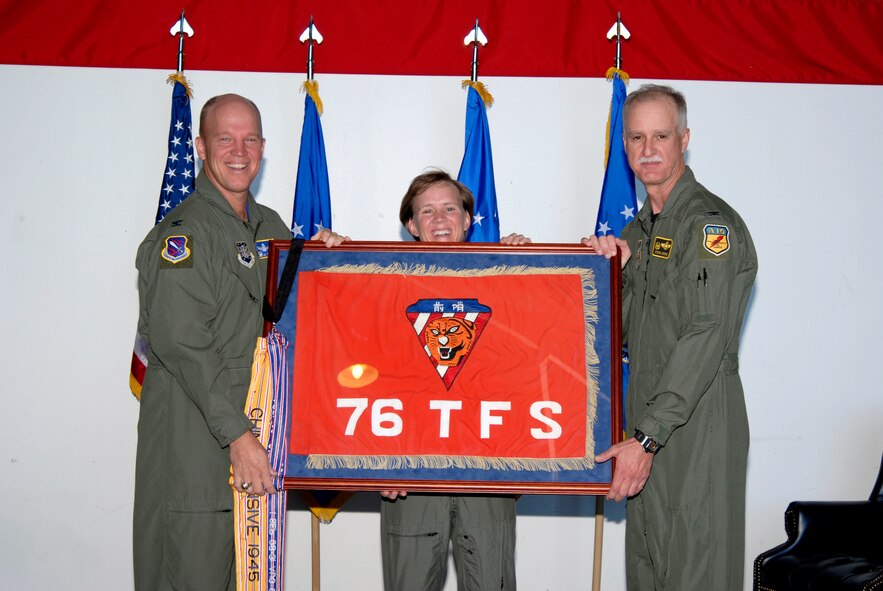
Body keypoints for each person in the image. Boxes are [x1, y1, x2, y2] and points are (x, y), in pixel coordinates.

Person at [133, 93, 346, 590]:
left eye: (250, 139)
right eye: (224, 138)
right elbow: (185, 345)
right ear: (201, 147)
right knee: (194, 575)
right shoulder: (183, 237)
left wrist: (328, 259)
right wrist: (239, 437)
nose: (239, 151)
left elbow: (300, 323)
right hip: (196, 447)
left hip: (255, 440)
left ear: (263, 148)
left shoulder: (270, 226)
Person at [583, 84, 757, 590]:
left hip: (696, 422)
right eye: (636, 137)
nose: (648, 149)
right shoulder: (636, 236)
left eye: (661, 135)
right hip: (649, 420)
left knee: (695, 571)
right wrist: (606, 277)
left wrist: (647, 437)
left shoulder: (707, 226)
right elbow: (619, 339)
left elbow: (704, 335)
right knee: (649, 571)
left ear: (684, 139)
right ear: (624, 146)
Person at [381, 170, 529, 591]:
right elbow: (361, 372)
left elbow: (532, 363)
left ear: (467, 219)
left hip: (487, 469)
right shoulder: (383, 287)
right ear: (411, 225)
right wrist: (372, 458)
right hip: (408, 472)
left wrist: (532, 271)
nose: (440, 219)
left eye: (450, 208)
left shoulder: (504, 280)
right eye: (427, 211)